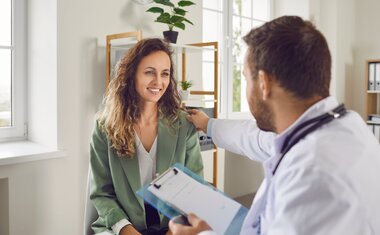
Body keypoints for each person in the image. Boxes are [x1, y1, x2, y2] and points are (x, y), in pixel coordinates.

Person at [169, 16, 380, 235]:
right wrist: (209, 125)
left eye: (246, 79)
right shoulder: (341, 126)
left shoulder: (313, 173)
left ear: (264, 83)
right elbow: (255, 138)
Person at [90, 38, 203, 235]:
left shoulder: (184, 124)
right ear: (132, 74)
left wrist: (175, 230)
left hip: (173, 226)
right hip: (123, 226)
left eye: (165, 74)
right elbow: (102, 193)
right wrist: (124, 229)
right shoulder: (104, 126)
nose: (158, 82)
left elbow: (195, 187)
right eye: (150, 72)